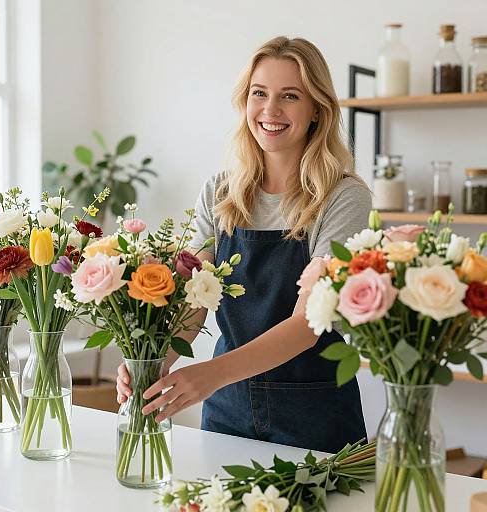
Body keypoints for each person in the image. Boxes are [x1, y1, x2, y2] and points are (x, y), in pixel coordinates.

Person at [116, 36, 370, 453]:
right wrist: (156, 360)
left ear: (316, 111)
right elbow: (195, 302)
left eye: (290, 96)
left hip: (315, 413)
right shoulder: (220, 193)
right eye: (259, 94)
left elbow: (309, 324)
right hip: (226, 411)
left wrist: (210, 374)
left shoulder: (343, 197)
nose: (270, 110)